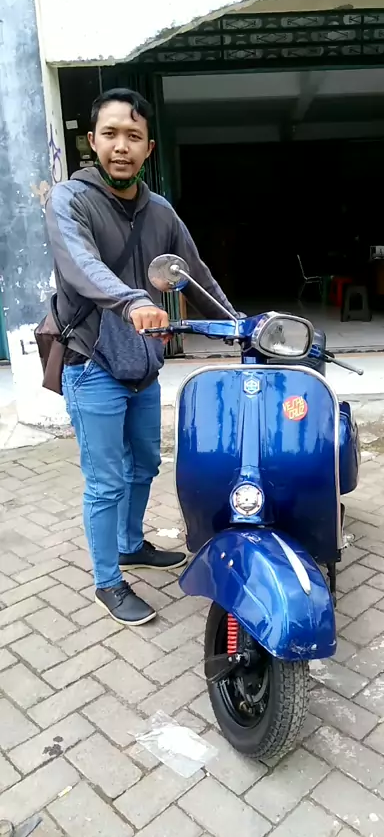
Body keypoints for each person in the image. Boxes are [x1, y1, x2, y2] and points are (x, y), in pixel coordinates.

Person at [46, 88, 238, 626]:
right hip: (91, 363)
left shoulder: (161, 213)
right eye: (110, 134)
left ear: (149, 148)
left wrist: (239, 324)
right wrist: (133, 300)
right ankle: (108, 582)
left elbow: (196, 276)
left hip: (143, 365)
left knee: (146, 464)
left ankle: (131, 546)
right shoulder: (69, 201)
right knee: (105, 481)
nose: (121, 146)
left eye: (133, 136)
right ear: (92, 141)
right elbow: (81, 264)